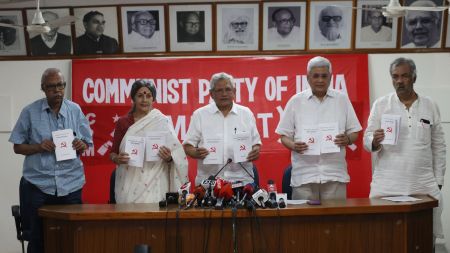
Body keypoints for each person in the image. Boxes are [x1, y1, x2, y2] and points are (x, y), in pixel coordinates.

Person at [9, 68, 93, 253]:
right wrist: (38, 147)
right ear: (43, 88)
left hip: (71, 185)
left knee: (72, 237)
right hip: (38, 185)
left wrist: (81, 145)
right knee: (38, 239)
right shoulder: (30, 112)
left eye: (60, 85)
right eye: (52, 86)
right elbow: (17, 146)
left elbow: (87, 142)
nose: (57, 90)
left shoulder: (75, 110)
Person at [363, 57, 446, 240]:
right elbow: (367, 140)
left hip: (423, 185)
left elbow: (439, 146)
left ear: (414, 77)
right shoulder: (381, 104)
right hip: (387, 186)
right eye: (395, 76)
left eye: (405, 76)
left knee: (423, 238)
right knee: (384, 238)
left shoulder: (430, 105)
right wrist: (375, 141)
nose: (399, 81)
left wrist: (438, 181)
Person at [275, 56, 362, 201]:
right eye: (315, 76)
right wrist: (293, 145)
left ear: (330, 77)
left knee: (336, 223)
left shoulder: (342, 100)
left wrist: (347, 139)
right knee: (304, 223)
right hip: (304, 176)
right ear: (308, 78)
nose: (320, 80)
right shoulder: (296, 101)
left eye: (324, 76)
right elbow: (283, 135)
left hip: (334, 174)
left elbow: (355, 131)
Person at [110, 80, 188, 203]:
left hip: (156, 181)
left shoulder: (162, 121)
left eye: (148, 96)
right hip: (128, 182)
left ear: (153, 99)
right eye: (140, 96)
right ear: (133, 99)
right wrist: (117, 159)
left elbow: (177, 154)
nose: (144, 100)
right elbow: (113, 153)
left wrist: (168, 158)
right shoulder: (123, 122)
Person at [183, 72, 261, 185]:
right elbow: (188, 146)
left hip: (242, 181)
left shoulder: (246, 114)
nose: (224, 94)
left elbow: (256, 144)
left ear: (234, 92)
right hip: (209, 182)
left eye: (228, 89)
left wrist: (255, 151)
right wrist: (196, 152)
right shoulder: (200, 115)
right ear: (211, 94)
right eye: (219, 90)